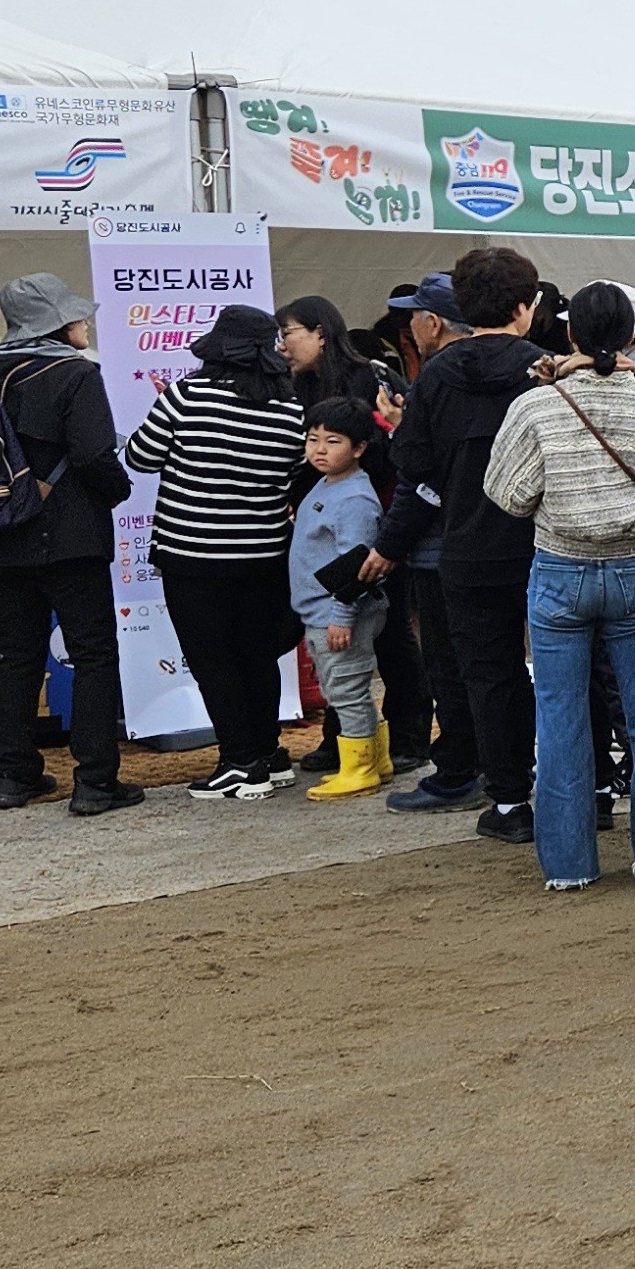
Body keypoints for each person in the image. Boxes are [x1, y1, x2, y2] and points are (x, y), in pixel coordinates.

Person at [482, 280, 635, 892]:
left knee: (559, 717)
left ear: (570, 332)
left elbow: (506, 493)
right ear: (634, 336)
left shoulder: (536, 406)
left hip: (559, 570)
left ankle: (570, 864)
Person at [371, 250, 548, 840]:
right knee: (562, 670)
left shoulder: (438, 376)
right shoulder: (545, 370)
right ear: (527, 307)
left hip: (466, 547)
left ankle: (507, 802)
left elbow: (415, 468)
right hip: (545, 544)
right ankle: (585, 792)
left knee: (488, 673)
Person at [0, 276, 139, 815]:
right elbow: (92, 454)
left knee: (16, 657)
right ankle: (94, 782)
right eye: (77, 317)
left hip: (2, 533)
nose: (84, 323)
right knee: (93, 655)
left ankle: (14, 777)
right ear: (59, 324)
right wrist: (117, 492)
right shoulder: (75, 375)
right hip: (72, 536)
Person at [123, 304, 310, 795]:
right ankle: (268, 753)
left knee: (212, 659)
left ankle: (239, 762)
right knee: (256, 654)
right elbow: (293, 476)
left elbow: (139, 457)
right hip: (265, 552)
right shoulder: (291, 408)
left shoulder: (186, 397)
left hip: (192, 554)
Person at [287, 400, 392, 799]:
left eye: (333, 441)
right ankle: (375, 758)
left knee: (346, 689)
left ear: (360, 448)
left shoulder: (354, 499)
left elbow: (358, 567)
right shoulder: (327, 482)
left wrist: (340, 617)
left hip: (339, 613)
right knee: (345, 687)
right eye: (313, 439)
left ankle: (360, 767)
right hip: (322, 610)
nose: (319, 449)